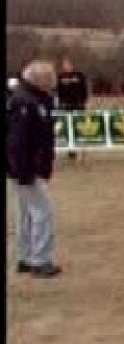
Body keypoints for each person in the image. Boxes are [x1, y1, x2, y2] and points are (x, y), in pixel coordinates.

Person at [6, 60, 62, 278]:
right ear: (39, 79)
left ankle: (26, 257)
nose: (53, 81)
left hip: (25, 166)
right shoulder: (25, 103)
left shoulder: (34, 100)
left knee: (27, 212)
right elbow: (17, 141)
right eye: (50, 77)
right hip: (25, 167)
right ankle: (40, 259)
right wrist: (24, 170)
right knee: (42, 211)